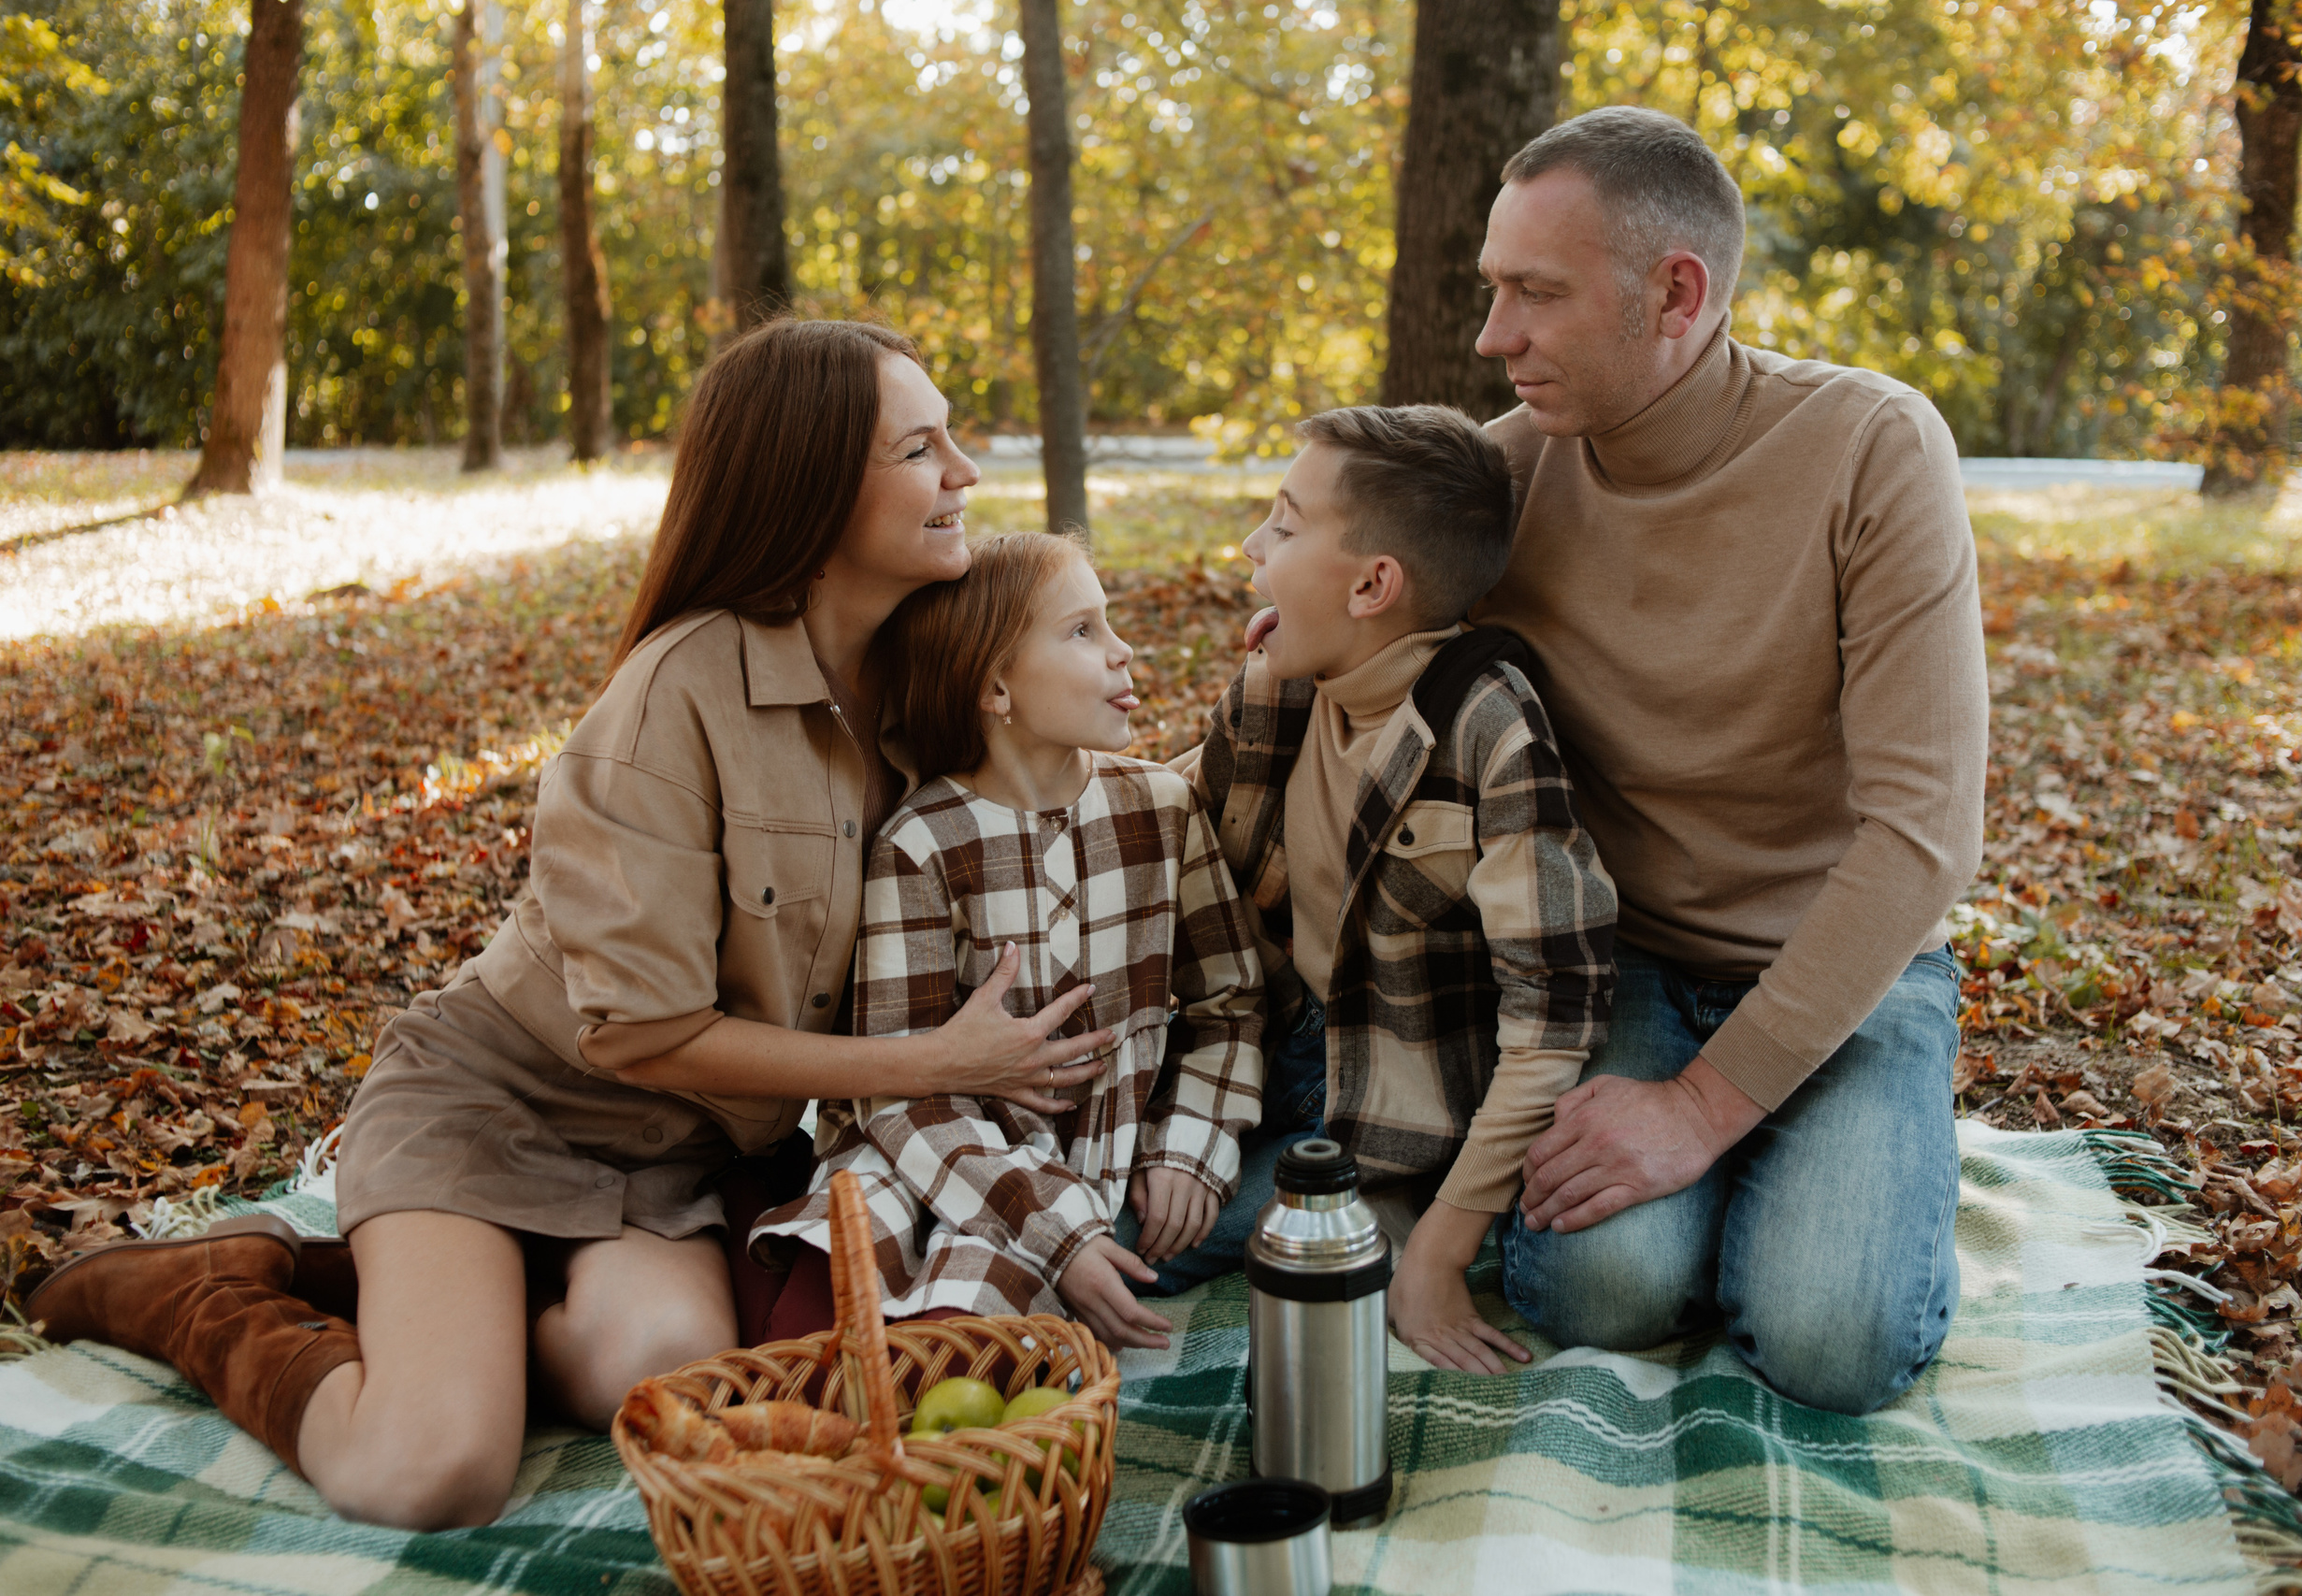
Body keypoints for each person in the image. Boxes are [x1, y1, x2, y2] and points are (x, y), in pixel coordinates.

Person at [23, 321, 1119, 1529]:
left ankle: (427, 1293)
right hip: (496, 1104)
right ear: (809, 485)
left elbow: (1074, 785)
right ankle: (210, 1290)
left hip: (668, 1160)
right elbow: (641, 1033)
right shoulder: (674, 694)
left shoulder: (920, 689)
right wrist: (931, 1062)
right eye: (922, 446)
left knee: (664, 1379)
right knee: (432, 1467)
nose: (964, 470)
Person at [1469, 107, 1989, 1415]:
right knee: (1599, 1289)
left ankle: (1801, 1152)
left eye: (1536, 293)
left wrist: (1703, 1109)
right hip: (1630, 957)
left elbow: (1925, 836)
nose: (1495, 337)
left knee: (1833, 1340)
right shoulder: (1507, 473)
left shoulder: (1873, 447)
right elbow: (1333, 612)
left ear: (1677, 293)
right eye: (1495, 290)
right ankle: (1741, 1186)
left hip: (1848, 966)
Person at [1163, 404, 1619, 1374]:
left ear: (1372, 584)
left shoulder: (1490, 732)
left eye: (1283, 527)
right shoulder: (1278, 681)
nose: (1252, 545)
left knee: (1173, 1245)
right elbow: (1175, 836)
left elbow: (1555, 1019)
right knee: (1108, 1227)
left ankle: (1401, 1219)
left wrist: (1442, 1256)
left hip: (1395, 1109)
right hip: (1261, 1054)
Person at [749, 533, 1266, 1352]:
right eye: (1083, 631)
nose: (1123, 650)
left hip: (1103, 1154)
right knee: (821, 1327)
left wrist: (1193, 1147)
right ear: (996, 686)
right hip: (941, 1152)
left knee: (982, 1335)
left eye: (1111, 624)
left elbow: (1230, 1004)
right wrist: (1060, 1233)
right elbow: (901, 1082)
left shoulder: (1163, 808)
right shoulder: (922, 843)